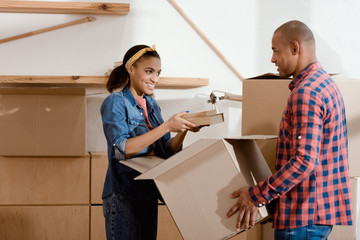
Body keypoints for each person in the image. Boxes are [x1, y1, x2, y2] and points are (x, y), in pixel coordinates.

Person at [226, 20, 353, 239]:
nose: (272, 59)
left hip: (302, 218)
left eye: (276, 51)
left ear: (295, 48)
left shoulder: (307, 92)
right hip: (314, 216)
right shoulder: (325, 84)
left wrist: (257, 195)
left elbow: (304, 161)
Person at [100, 44, 201, 240]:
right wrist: (166, 126)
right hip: (123, 195)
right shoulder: (116, 102)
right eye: (149, 71)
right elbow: (122, 149)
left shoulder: (152, 105)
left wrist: (183, 130)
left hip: (149, 192)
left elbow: (166, 151)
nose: (155, 78)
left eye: (158, 73)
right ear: (131, 69)